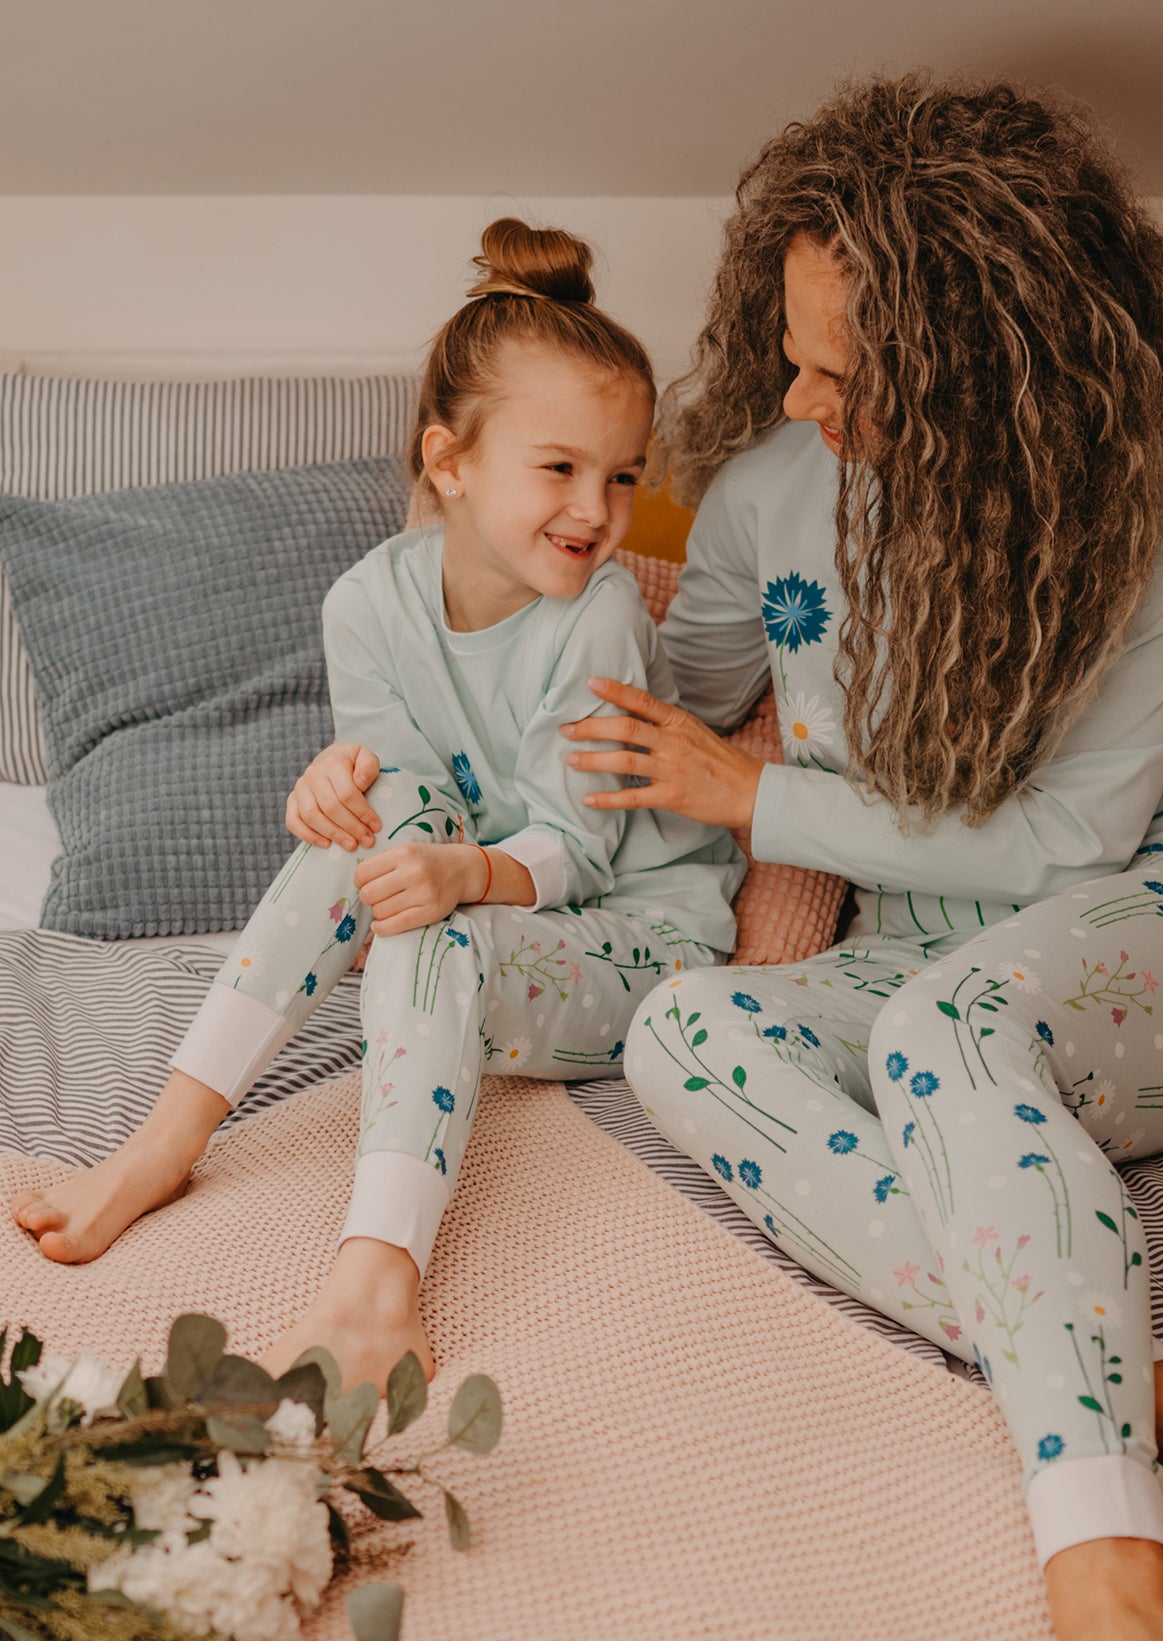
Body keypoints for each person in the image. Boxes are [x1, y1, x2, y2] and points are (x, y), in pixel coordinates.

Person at [557, 79, 1163, 1641]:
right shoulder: (780, 492)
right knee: (683, 1032)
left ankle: (1114, 1575)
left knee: (954, 1025)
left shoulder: (1150, 473)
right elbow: (690, 686)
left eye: (843, 378)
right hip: (946, 964)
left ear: (979, 367)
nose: (797, 406)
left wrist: (759, 790)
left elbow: (1070, 847)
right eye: (787, 359)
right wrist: (525, 587)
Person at [10, 219, 744, 1391]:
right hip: (481, 914)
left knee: (431, 920)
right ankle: (164, 1142)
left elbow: (581, 850)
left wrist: (458, 874)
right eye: (560, 468)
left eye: (622, 476)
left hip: (638, 944)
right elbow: (412, 800)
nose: (598, 510)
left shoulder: (601, 613)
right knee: (363, 838)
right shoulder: (366, 602)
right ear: (450, 462)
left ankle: (377, 1275)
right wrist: (335, 788)